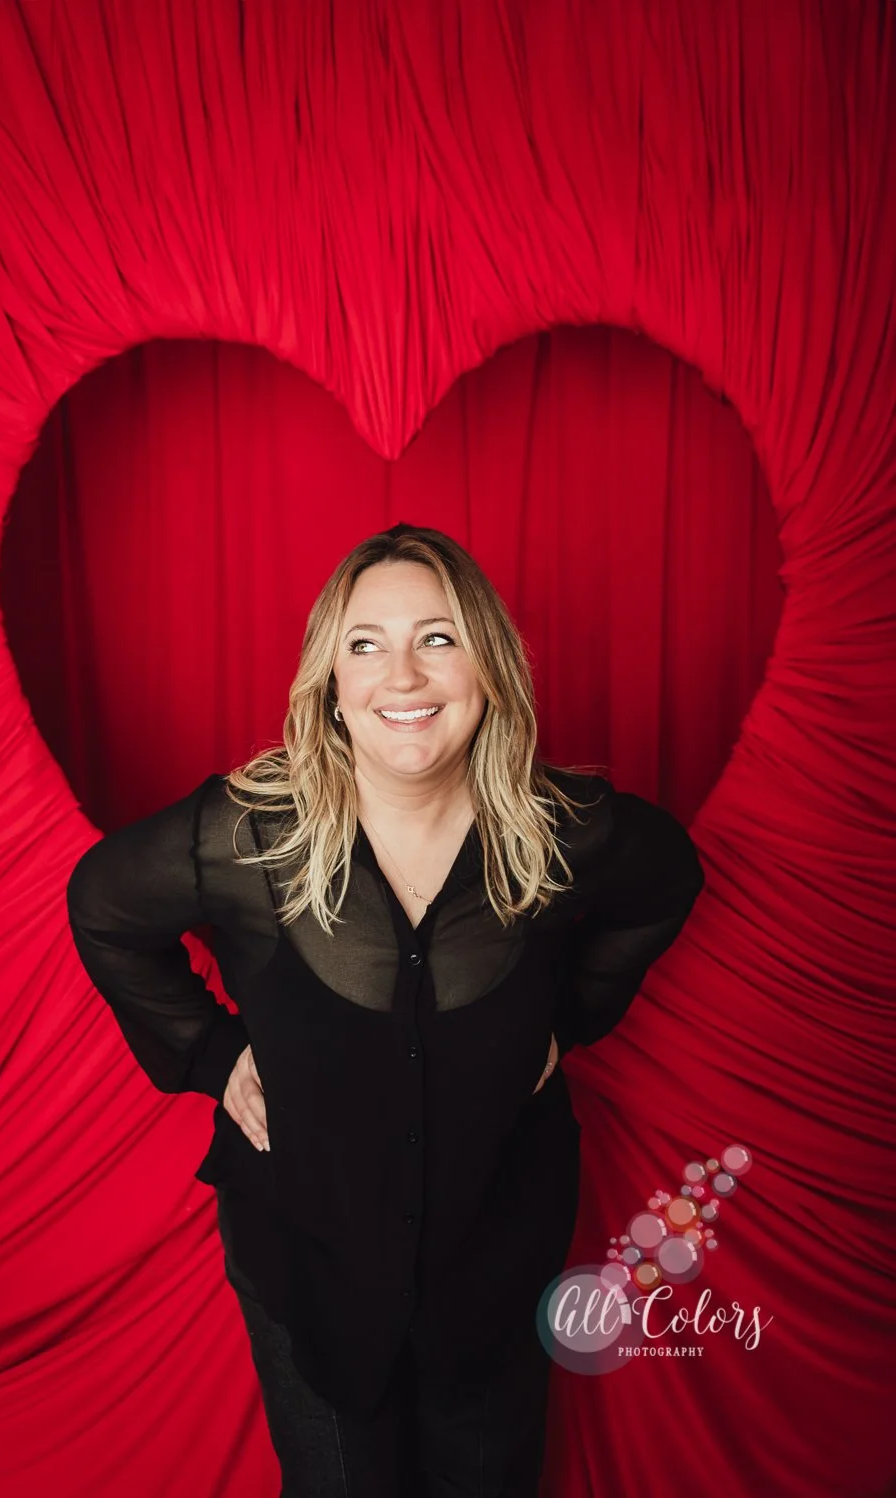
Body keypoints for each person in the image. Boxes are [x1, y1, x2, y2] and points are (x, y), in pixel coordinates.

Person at [66, 520, 705, 1497]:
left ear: (489, 665)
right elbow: (104, 909)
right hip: (304, 1258)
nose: (401, 676)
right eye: (365, 644)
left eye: (438, 638)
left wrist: (566, 1021)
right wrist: (209, 1054)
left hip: (497, 1254)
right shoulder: (246, 833)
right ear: (331, 681)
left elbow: (670, 880)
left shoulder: (566, 834)